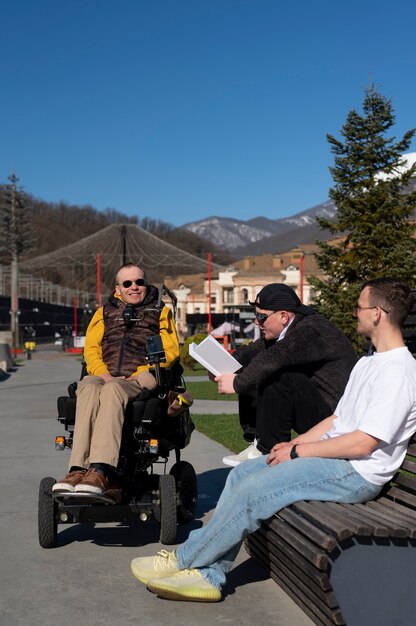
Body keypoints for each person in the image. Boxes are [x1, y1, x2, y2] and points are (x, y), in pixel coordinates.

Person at [130, 278, 416, 603]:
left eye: (359, 307)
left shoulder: (399, 373)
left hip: (356, 472)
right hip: (336, 460)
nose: (355, 314)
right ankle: (209, 576)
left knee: (254, 491)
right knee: (241, 475)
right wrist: (294, 444)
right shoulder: (370, 361)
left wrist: (300, 450)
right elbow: (338, 419)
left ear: (377, 314)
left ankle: (183, 560)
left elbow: (363, 444)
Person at [52, 262, 180, 496]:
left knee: (113, 391)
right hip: (105, 374)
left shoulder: (161, 312)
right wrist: (103, 373)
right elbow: (91, 349)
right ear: (118, 288)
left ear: (146, 284)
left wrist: (139, 371)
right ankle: (78, 468)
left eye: (139, 282)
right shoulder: (103, 312)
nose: (134, 287)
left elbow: (170, 351)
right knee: (87, 387)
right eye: (127, 283)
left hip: (141, 375)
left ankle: (101, 469)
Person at [219, 283, 357, 466]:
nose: (256, 322)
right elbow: (254, 351)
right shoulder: (291, 330)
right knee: (257, 367)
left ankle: (266, 450)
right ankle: (258, 442)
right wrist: (221, 366)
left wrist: (236, 384)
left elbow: (271, 360)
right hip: (319, 410)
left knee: (277, 374)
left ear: (283, 316)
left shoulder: (311, 331)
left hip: (334, 420)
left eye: (261, 317)